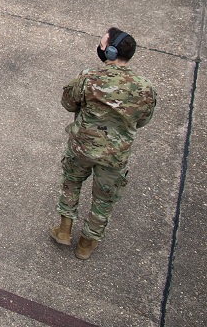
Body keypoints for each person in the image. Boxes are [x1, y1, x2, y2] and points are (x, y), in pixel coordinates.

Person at [50, 27, 157, 260]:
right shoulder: (144, 87)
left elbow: (68, 103)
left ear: (109, 52)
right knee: (104, 198)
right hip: (114, 154)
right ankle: (86, 244)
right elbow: (143, 120)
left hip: (82, 146)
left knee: (71, 183)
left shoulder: (89, 77)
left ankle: (64, 230)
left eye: (102, 43)